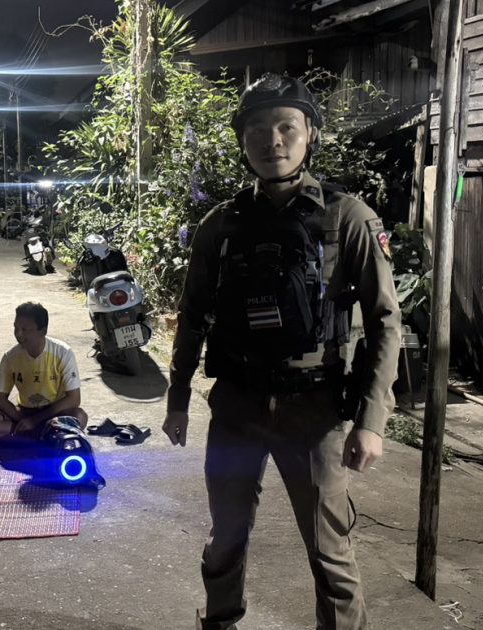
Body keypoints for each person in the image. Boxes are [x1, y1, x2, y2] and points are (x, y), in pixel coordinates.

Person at [162, 73, 402, 630]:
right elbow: (192, 317)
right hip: (237, 406)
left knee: (330, 551)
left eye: (286, 127)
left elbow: (385, 322)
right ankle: (220, 621)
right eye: (257, 130)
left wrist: (372, 421)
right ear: (242, 141)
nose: (273, 140)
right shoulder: (220, 225)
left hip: (314, 410)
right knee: (226, 535)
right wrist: (177, 399)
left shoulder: (347, 218)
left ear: (309, 133)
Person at [0, 302, 89, 441]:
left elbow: (74, 399)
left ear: (43, 331)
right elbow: (0, 399)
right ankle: (46, 436)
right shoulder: (10, 357)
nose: (18, 334)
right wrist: (22, 420)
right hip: (24, 412)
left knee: (79, 416)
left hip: (54, 413)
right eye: (16, 328)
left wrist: (35, 421)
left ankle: (27, 436)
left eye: (25, 329)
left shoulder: (63, 353)